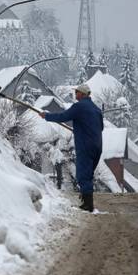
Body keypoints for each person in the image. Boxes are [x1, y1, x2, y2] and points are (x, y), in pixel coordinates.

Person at [42, 83, 104, 212]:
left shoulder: (79, 107)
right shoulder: (96, 109)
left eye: (76, 92)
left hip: (85, 145)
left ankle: (88, 205)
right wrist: (81, 127)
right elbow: (101, 127)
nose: (75, 95)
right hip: (97, 146)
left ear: (82, 94)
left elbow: (62, 117)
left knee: (83, 175)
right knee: (89, 174)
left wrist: (46, 116)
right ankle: (87, 202)